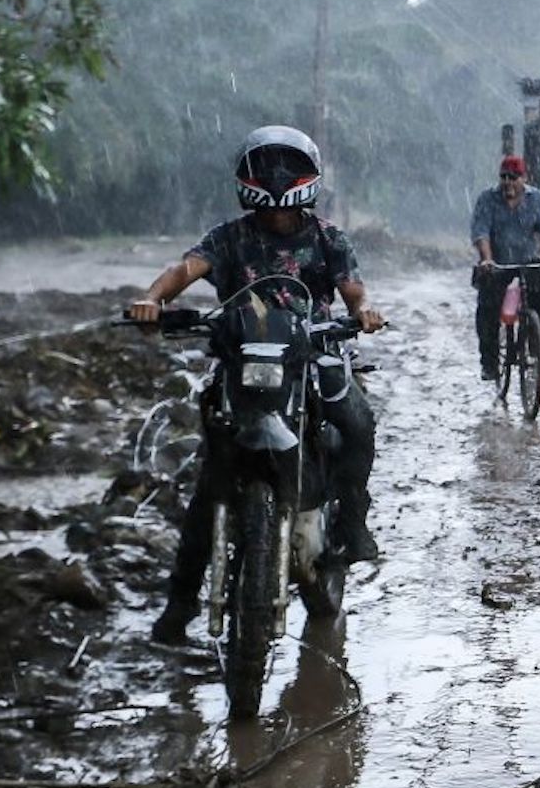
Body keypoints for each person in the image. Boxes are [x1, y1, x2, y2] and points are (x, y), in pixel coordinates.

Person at [130, 125, 385, 643]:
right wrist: (152, 298)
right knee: (211, 486)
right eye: (265, 166)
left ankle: (352, 522)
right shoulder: (229, 237)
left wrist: (363, 311)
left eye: (284, 167)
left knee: (357, 422)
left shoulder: (327, 238)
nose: (274, 180)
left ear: (307, 177)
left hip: (314, 356)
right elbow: (184, 269)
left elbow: (353, 291)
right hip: (242, 366)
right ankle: (179, 608)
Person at [471, 155, 540, 381]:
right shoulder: (487, 200)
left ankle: (537, 338)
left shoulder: (537, 199)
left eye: (514, 177)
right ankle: (489, 363)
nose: (508, 183)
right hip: (498, 262)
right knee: (487, 309)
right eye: (504, 177)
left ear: (524, 178)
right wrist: (487, 259)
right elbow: (481, 233)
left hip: (527, 260)